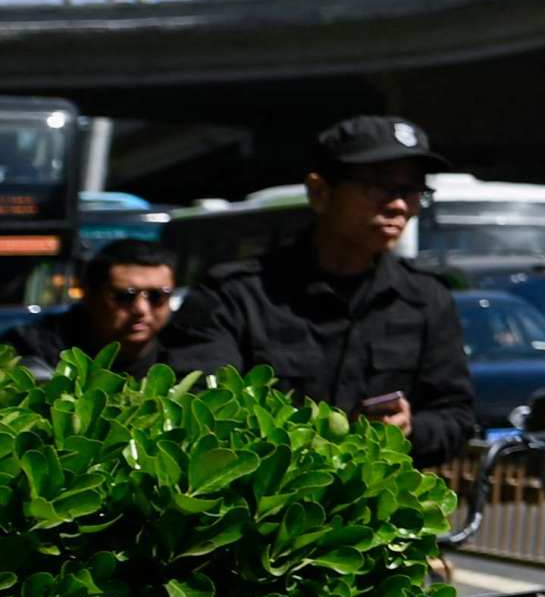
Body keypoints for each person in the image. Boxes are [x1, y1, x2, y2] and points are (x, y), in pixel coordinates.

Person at [153, 115, 476, 463]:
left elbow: (456, 418)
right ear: (320, 192)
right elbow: (201, 409)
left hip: (376, 512)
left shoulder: (426, 300)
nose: (398, 205)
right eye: (379, 186)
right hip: (266, 511)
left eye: (412, 190)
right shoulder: (234, 296)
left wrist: (410, 429)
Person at [4, 235, 177, 377]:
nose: (141, 309)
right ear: (90, 295)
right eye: (125, 296)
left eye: (157, 296)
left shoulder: (185, 348)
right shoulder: (33, 347)